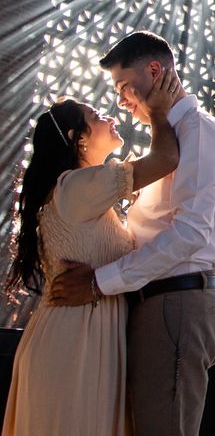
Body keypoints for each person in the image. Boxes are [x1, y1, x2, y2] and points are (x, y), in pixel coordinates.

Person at [49, 31, 215, 436]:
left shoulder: (199, 132)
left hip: (179, 300)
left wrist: (100, 282)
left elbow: (189, 235)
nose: (120, 101)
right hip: (158, 300)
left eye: (123, 87)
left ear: (155, 71)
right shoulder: (169, 136)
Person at [2, 69, 180, 436]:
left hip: (88, 339)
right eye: (97, 117)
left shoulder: (85, 193)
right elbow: (165, 157)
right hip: (74, 347)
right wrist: (160, 113)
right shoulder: (77, 186)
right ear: (77, 139)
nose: (110, 116)